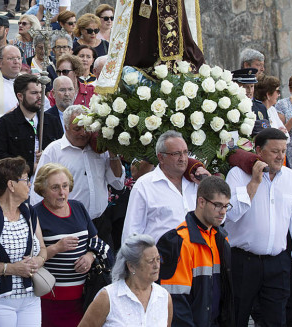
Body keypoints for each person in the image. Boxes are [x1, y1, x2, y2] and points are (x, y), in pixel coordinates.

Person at [218, 127, 292, 326]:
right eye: (275, 151)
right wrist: (254, 183)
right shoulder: (237, 175)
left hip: (277, 264)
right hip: (242, 261)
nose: (280, 156)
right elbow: (230, 214)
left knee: (275, 320)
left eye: (284, 151)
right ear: (259, 151)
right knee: (235, 317)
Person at [0, 157, 48, 327]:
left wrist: (38, 260)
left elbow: (42, 248)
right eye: (26, 180)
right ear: (11, 185)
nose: (29, 185)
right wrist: (11, 269)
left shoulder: (29, 211)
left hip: (29, 297)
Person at [32, 163, 109, 326]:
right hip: (50, 299)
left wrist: (89, 256)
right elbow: (31, 256)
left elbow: (96, 240)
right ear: (43, 190)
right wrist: (56, 248)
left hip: (84, 296)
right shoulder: (35, 214)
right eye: (55, 188)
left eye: (65, 186)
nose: (62, 193)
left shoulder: (78, 207)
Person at [156, 176, 232, 326]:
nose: (223, 212)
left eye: (226, 206)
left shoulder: (221, 239)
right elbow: (175, 301)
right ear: (201, 202)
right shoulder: (178, 241)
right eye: (218, 205)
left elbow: (224, 296)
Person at [123, 131, 203, 244]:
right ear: (161, 157)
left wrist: (208, 183)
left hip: (197, 256)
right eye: (176, 153)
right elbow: (131, 233)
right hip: (160, 258)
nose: (183, 158)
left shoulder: (196, 182)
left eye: (185, 152)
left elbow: (219, 218)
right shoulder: (144, 185)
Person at [79, 233, 172, 326]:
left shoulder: (164, 297)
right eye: (150, 261)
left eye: (158, 259)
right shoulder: (108, 297)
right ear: (131, 266)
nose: (157, 266)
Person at [0, 74, 62, 168]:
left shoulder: (52, 121)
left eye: (41, 92)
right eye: (34, 93)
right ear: (20, 96)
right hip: (18, 180)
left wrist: (48, 157)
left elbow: (63, 152)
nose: (40, 96)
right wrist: (29, 167)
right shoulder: (6, 123)